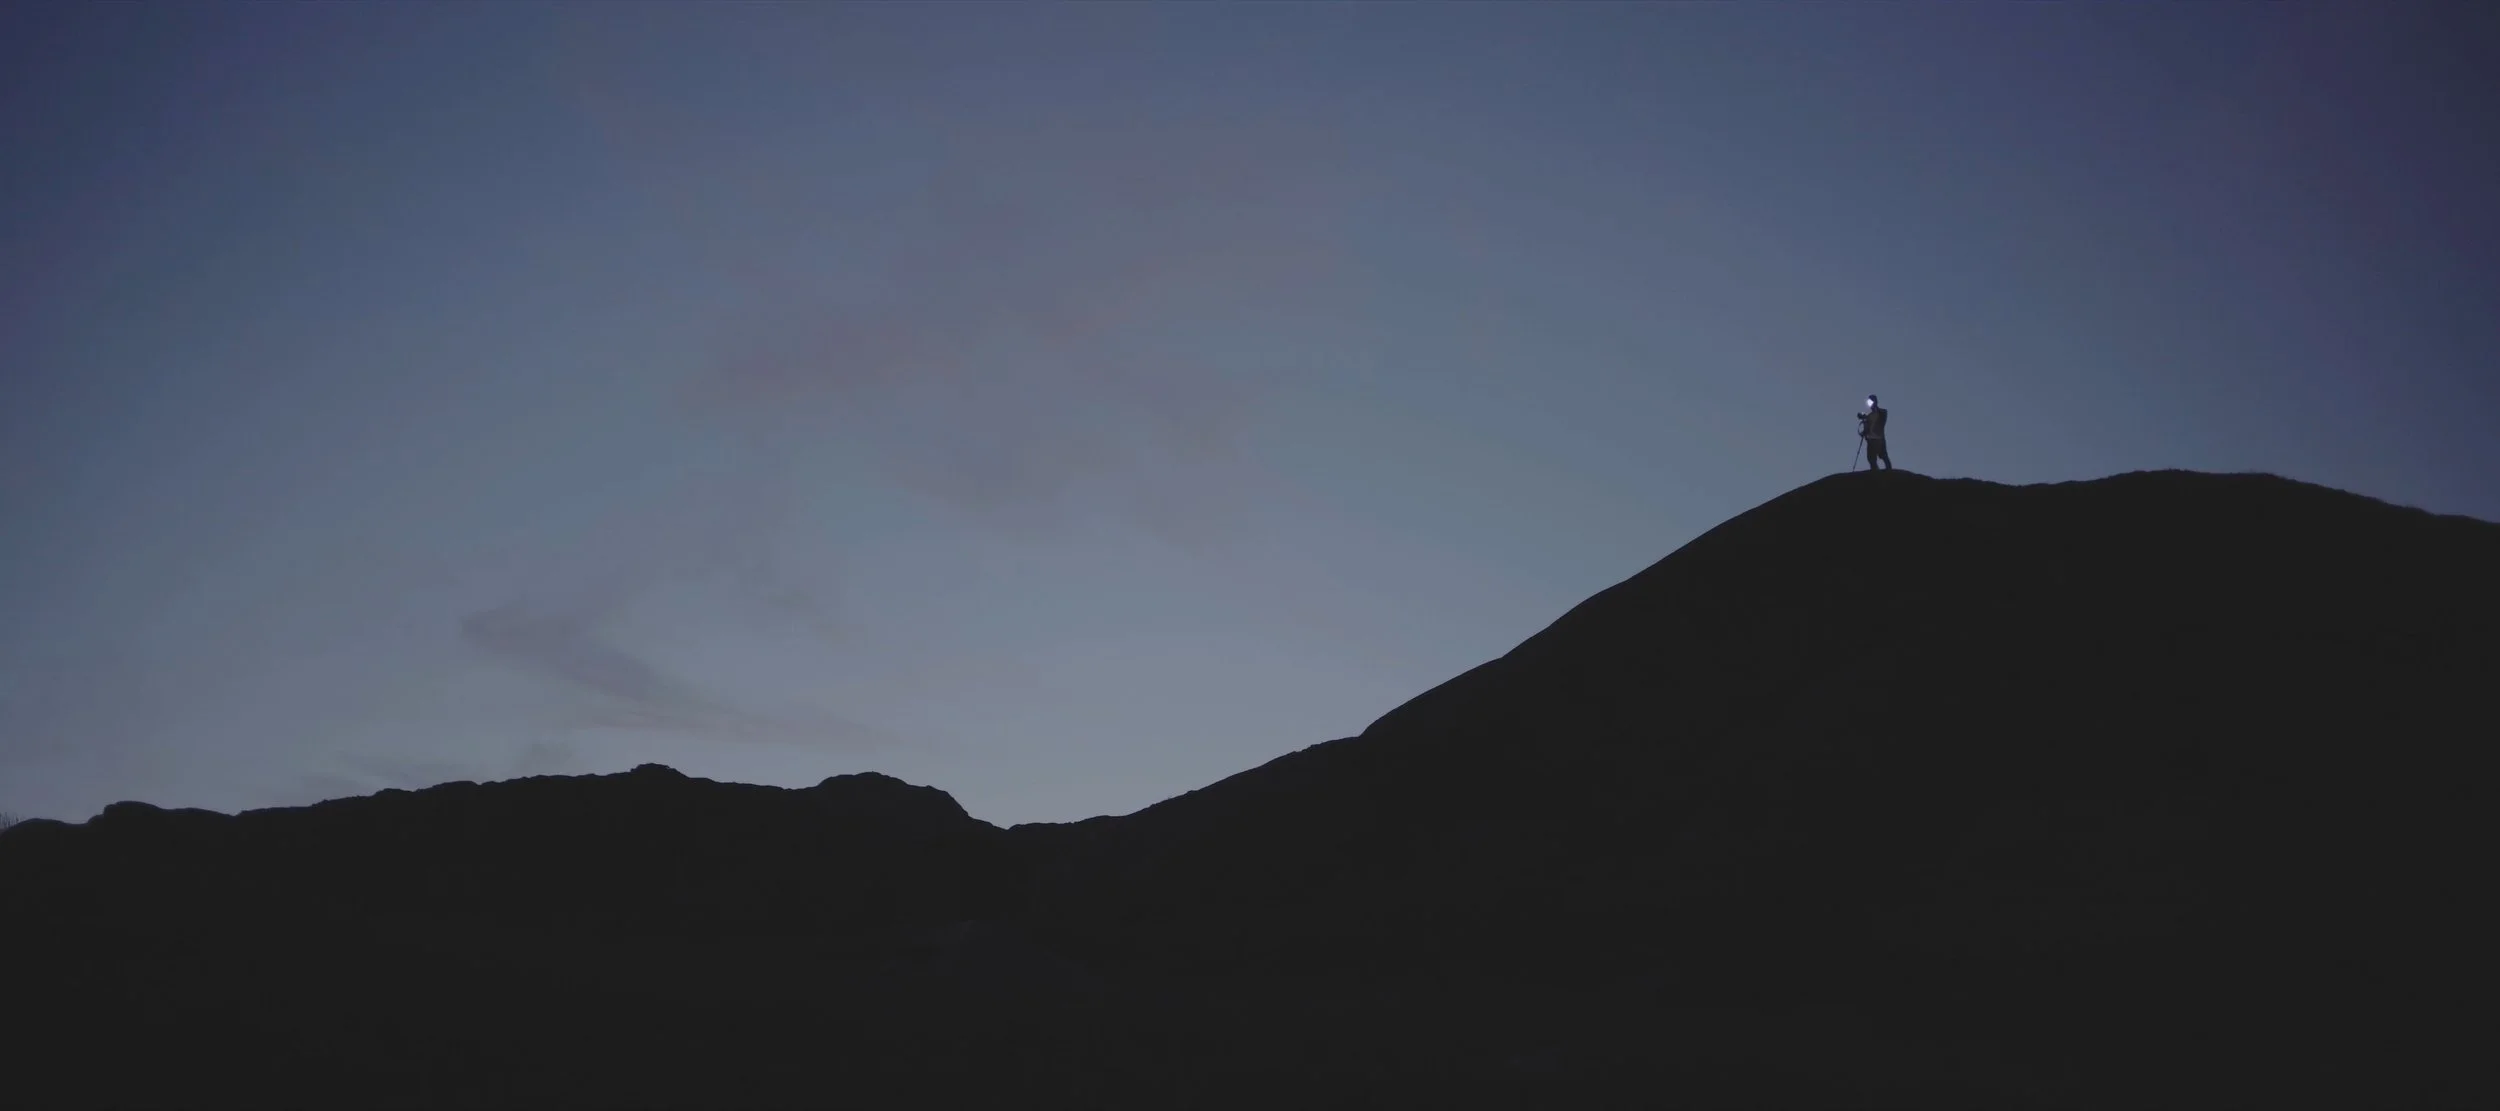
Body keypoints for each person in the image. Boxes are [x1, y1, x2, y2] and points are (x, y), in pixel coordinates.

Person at [1858, 394, 1892, 471]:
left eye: (1872, 402)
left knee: (1883, 456)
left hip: (1879, 439)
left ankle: (1889, 472)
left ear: (1875, 402)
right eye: (1869, 402)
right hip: (1871, 440)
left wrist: (1865, 417)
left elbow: (1882, 421)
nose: (1871, 404)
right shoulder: (1869, 416)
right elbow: (1867, 429)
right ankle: (1875, 473)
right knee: (1871, 459)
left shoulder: (1882, 412)